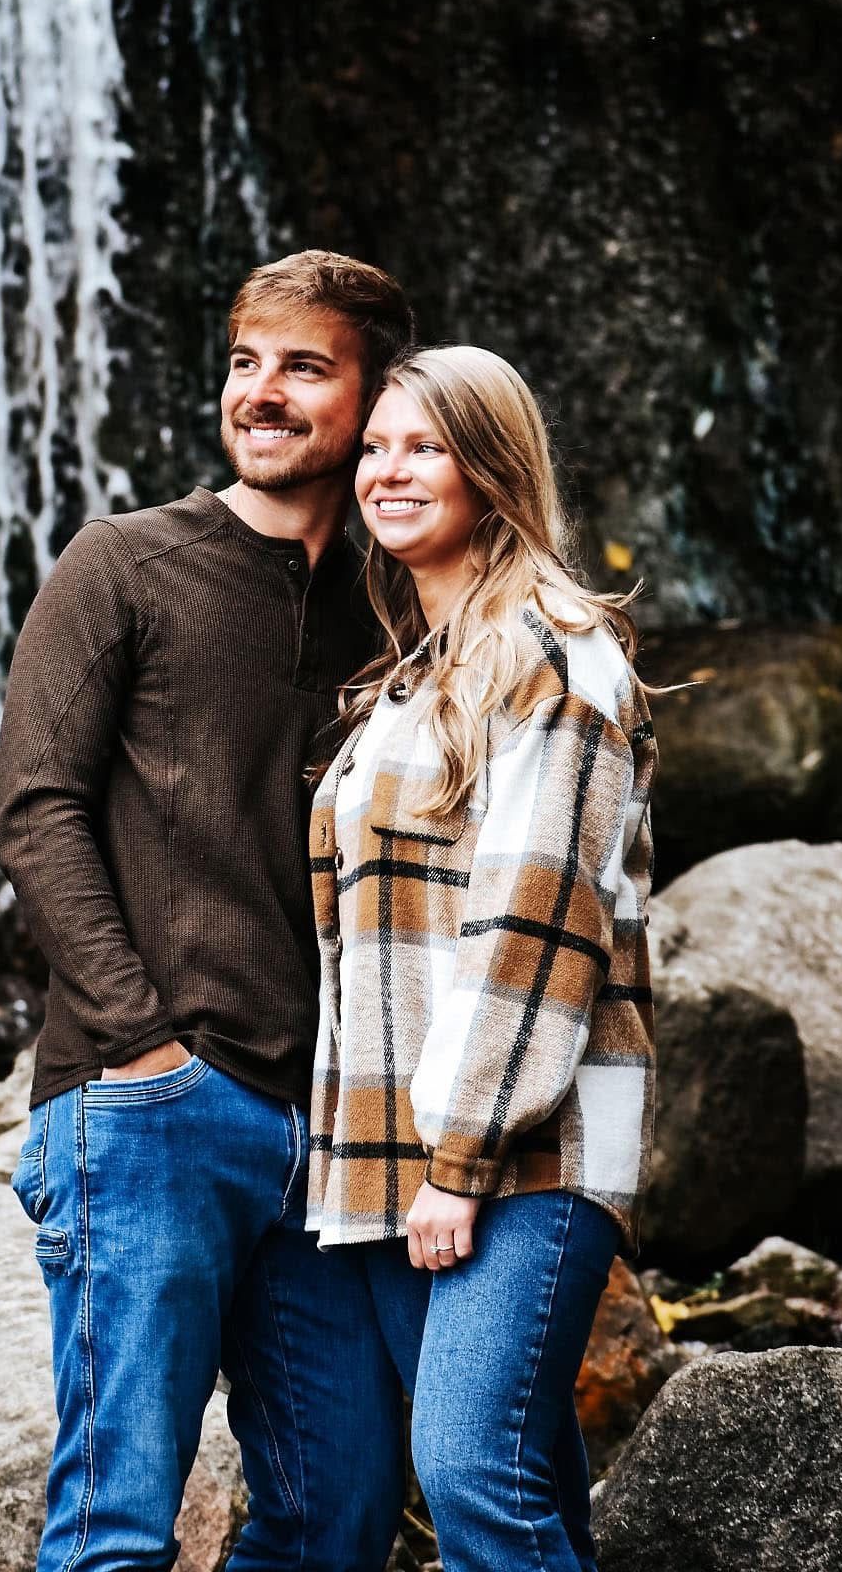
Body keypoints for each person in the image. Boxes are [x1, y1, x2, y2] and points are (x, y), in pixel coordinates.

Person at [0, 250, 416, 1572]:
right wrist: (141, 1045)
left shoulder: (390, 608)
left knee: (338, 1515)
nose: (261, 391)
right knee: (118, 1526)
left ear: (376, 397)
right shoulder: (122, 562)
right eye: (245, 361)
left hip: (323, 1133)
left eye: (303, 366)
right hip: (150, 1109)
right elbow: (35, 806)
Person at [307, 344, 657, 1572]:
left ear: (492, 467)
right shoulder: (417, 672)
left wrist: (459, 1154)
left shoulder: (556, 654)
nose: (388, 471)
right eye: (376, 447)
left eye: (426, 446)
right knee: (522, 1479)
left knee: (469, 1469)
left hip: (525, 1145)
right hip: (406, 1146)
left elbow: (534, 920)